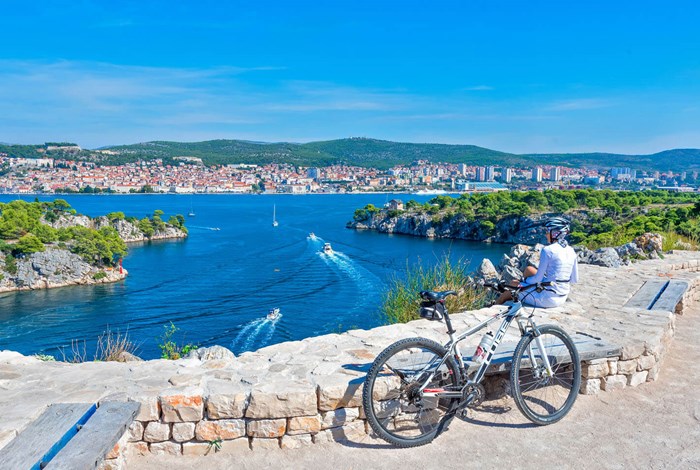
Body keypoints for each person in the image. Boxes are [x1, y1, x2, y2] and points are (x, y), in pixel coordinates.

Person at [495, 216, 578, 307]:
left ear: (555, 233)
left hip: (547, 299)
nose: (546, 234)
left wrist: (524, 281)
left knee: (513, 285)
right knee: (530, 269)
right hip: (562, 297)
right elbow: (574, 279)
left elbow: (538, 279)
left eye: (547, 231)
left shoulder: (548, 250)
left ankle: (495, 306)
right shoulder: (571, 250)